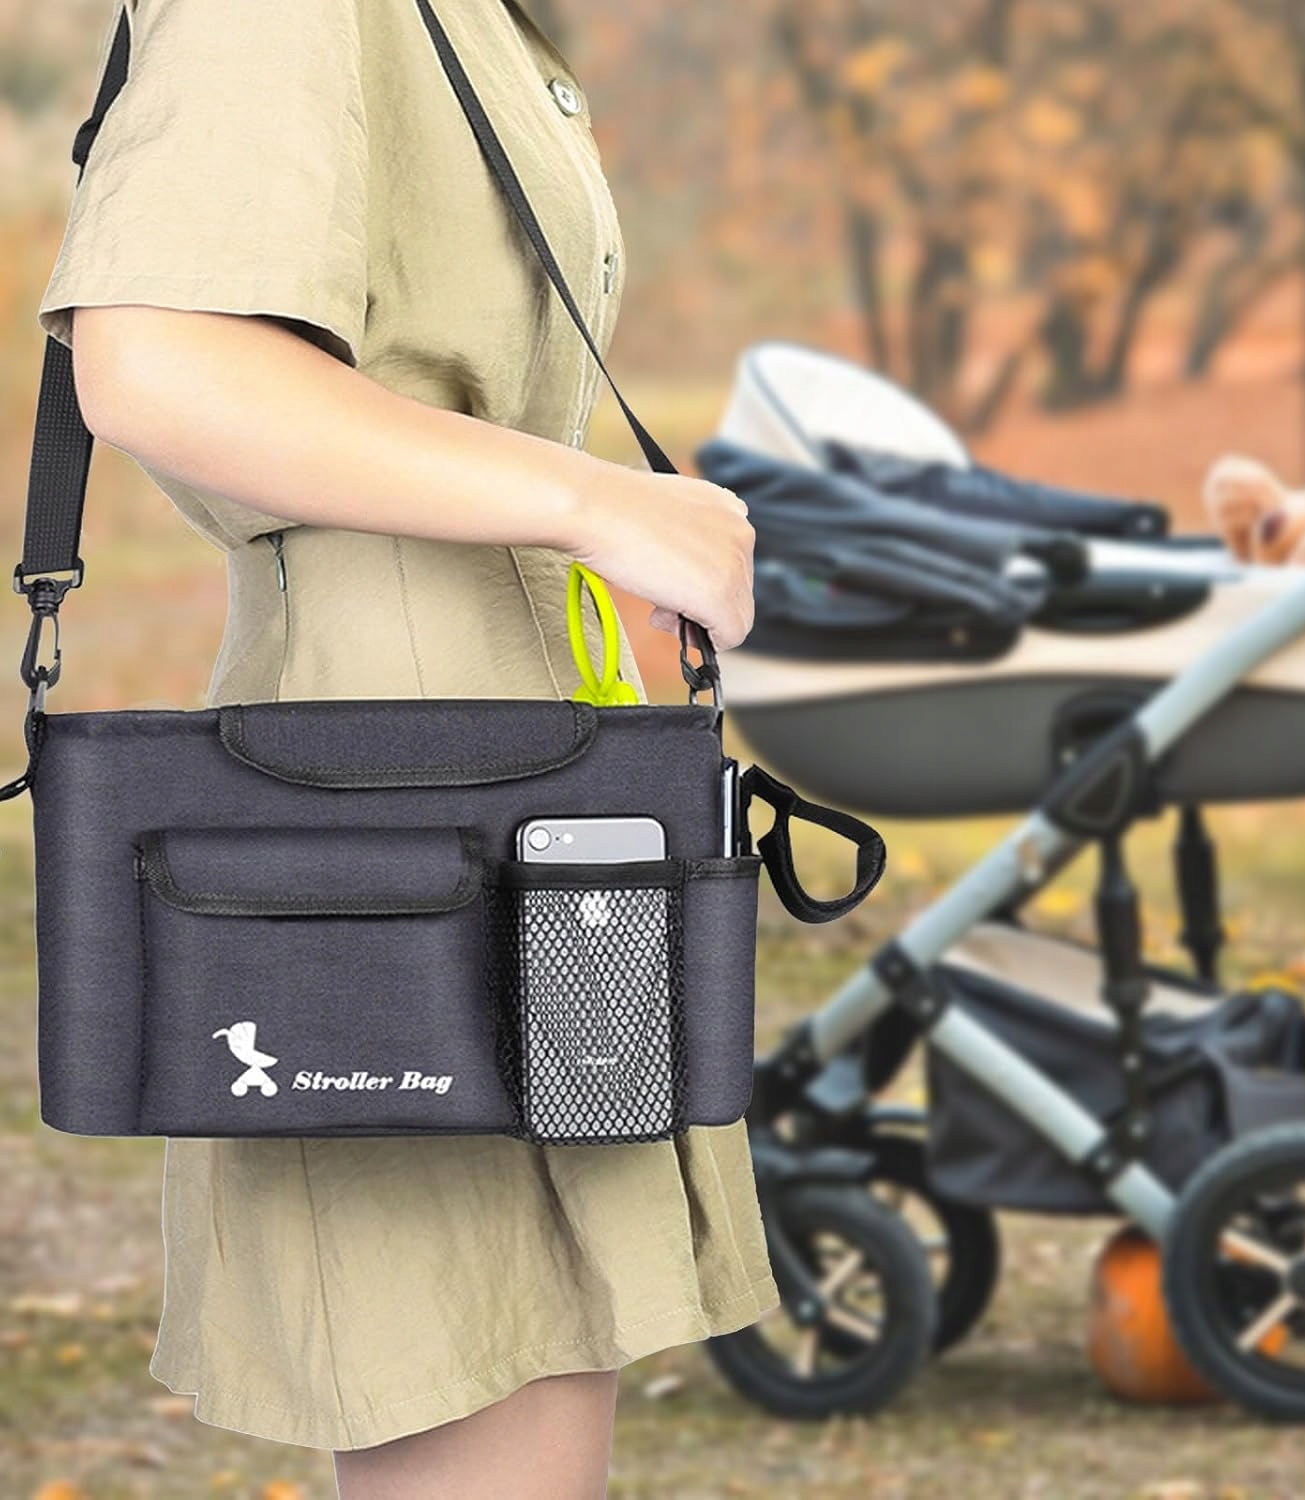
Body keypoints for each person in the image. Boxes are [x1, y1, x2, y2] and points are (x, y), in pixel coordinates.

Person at [38, 2, 770, 1496]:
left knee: (537, 1369)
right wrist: (598, 502)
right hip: (401, 797)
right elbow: (163, 356)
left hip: (531, 780)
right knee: (476, 1386)